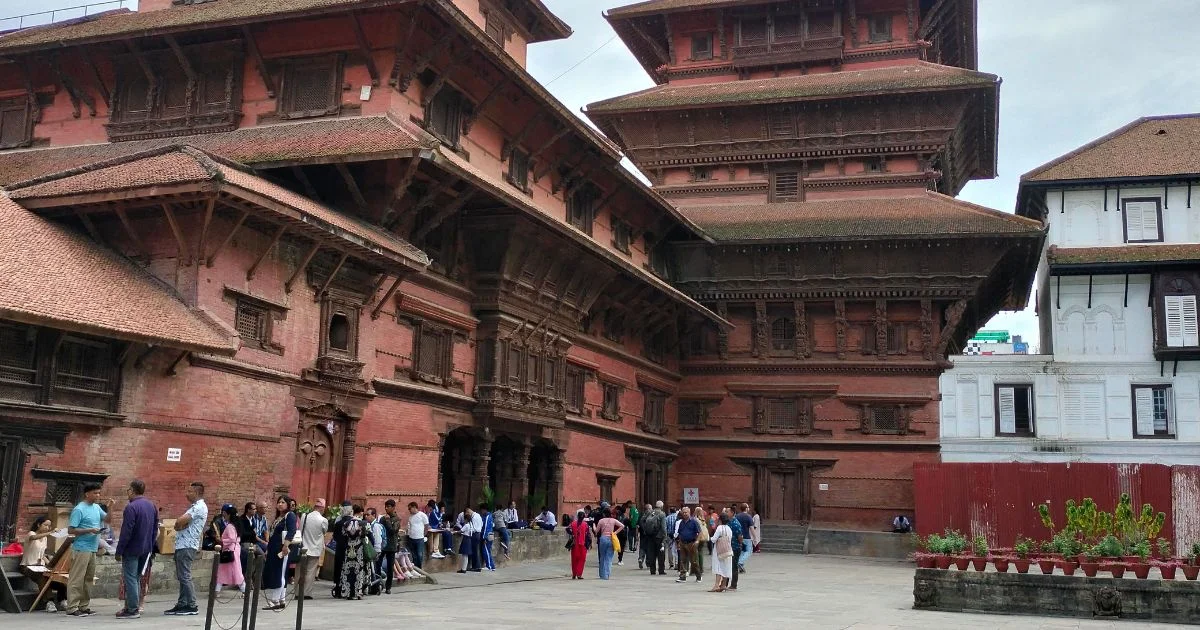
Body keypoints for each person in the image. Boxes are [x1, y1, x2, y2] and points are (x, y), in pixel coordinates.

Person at [115, 479, 157, 619]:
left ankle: (132, 609)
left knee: (131, 578)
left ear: (132, 491)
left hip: (132, 548)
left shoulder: (131, 507)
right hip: (146, 548)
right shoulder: (151, 506)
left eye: (128, 490)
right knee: (137, 578)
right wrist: (151, 547)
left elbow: (126, 531)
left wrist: (119, 550)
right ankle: (131, 606)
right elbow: (154, 529)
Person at [165, 481, 207, 617]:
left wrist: (178, 525)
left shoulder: (199, 507)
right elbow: (180, 523)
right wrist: (180, 525)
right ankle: (182, 603)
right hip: (183, 544)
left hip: (187, 545)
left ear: (196, 492)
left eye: (189, 491)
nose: (186, 494)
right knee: (182, 576)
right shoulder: (194, 506)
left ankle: (192, 604)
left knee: (185, 576)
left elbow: (179, 521)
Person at [65, 482, 106, 617]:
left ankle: (83, 606)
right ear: (87, 494)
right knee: (77, 578)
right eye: (95, 493)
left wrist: (111, 508)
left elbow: (108, 519)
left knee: (89, 578)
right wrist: (89, 530)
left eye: (99, 493)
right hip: (81, 548)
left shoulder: (96, 507)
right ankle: (72, 607)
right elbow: (71, 530)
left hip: (92, 548)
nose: (98, 495)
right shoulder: (79, 509)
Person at [262, 496, 297, 611]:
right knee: (278, 571)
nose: (280, 504)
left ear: (287, 504)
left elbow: (291, 531)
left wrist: (286, 545)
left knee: (279, 573)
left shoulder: (290, 515)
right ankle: (281, 599)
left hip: (282, 548)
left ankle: (274, 600)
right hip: (274, 547)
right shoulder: (279, 517)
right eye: (279, 502)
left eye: (283, 502)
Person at [298, 499, 329, 600]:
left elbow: (301, 530)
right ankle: (306, 592)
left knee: (300, 571)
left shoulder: (304, 516)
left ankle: (298, 591)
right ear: (322, 508)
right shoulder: (323, 520)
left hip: (303, 547)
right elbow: (324, 531)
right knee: (310, 572)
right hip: (314, 548)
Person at [337, 505, 369, 600]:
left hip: (349, 548)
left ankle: (347, 592)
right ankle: (357, 592)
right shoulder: (363, 523)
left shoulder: (346, 523)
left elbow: (343, 534)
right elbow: (365, 535)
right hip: (359, 549)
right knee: (358, 570)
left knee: (347, 570)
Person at [215, 504, 245, 593]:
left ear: (229, 515)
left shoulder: (230, 526)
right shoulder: (237, 525)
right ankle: (217, 590)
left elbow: (232, 539)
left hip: (230, 550)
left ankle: (244, 589)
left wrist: (222, 540)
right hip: (235, 550)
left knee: (234, 571)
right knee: (233, 570)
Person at [592, 506, 624, 580]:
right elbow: (622, 526)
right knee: (609, 558)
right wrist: (615, 532)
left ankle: (602, 574)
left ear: (604, 514)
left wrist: (593, 526)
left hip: (603, 539)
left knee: (602, 557)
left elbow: (596, 531)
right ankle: (607, 574)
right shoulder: (613, 520)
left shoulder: (601, 521)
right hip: (611, 538)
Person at [379, 500, 402, 594]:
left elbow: (393, 531)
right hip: (382, 545)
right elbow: (379, 528)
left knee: (390, 566)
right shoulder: (383, 518)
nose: (386, 508)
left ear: (393, 507)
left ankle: (388, 587)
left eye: (388, 506)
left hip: (391, 545)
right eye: (385, 506)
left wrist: (388, 521)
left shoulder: (396, 519)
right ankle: (377, 583)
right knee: (378, 563)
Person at [675, 506, 701, 583]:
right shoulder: (681, 522)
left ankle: (698, 575)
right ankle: (682, 576)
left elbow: (699, 532)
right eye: (683, 512)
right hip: (683, 543)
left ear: (689, 513)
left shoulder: (694, 521)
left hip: (691, 543)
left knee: (694, 561)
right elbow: (680, 533)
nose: (685, 514)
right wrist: (679, 542)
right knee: (683, 560)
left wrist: (697, 541)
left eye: (686, 512)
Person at [709, 513, 734, 593]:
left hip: (719, 550)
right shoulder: (729, 529)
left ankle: (716, 585)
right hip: (727, 550)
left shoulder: (719, 528)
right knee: (726, 567)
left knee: (718, 567)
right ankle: (723, 585)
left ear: (720, 520)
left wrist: (710, 538)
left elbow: (714, 539)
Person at [640, 502, 667, 575]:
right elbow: (663, 527)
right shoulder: (662, 514)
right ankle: (661, 570)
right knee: (661, 554)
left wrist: (645, 530)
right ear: (661, 506)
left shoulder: (650, 512)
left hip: (650, 536)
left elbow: (642, 520)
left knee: (651, 553)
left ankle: (652, 570)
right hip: (659, 536)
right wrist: (665, 536)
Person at [455, 507, 481, 574]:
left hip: (475, 534)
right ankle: (471, 566)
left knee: (473, 551)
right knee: (472, 551)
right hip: (476, 533)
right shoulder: (477, 516)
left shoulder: (473, 519)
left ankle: (476, 566)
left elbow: (463, 530)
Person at [405, 501, 429, 571]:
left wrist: (424, 534)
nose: (409, 510)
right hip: (411, 538)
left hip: (419, 538)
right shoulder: (410, 517)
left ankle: (420, 568)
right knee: (414, 555)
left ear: (414, 507)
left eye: (410, 509)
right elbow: (409, 526)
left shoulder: (422, 515)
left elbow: (426, 525)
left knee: (419, 554)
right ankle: (415, 568)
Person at [566, 509, 590, 579]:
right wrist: (589, 544)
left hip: (574, 543)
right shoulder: (585, 524)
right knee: (582, 559)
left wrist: (572, 533)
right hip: (582, 543)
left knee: (574, 559)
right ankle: (579, 574)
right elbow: (588, 534)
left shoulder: (573, 523)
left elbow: (567, 529)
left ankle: (574, 574)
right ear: (583, 517)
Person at [725, 508, 744, 591]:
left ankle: (733, 585)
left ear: (732, 513)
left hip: (735, 547)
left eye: (727, 512)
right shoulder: (728, 522)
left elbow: (740, 536)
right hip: (728, 547)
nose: (726, 513)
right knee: (728, 566)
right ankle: (725, 583)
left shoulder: (736, 523)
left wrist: (740, 544)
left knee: (733, 566)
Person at [735, 503, 754, 573]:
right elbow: (752, 528)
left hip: (738, 537)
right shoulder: (748, 517)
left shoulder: (737, 516)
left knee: (742, 552)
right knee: (748, 551)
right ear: (746, 508)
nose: (749, 508)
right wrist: (754, 537)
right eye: (748, 507)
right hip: (746, 537)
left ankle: (740, 566)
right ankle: (740, 562)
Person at [478, 503, 495, 571]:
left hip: (488, 536)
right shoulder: (487, 516)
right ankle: (491, 565)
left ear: (484, 509)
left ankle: (490, 566)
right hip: (490, 535)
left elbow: (486, 528)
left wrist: (484, 537)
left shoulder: (488, 516)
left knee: (486, 550)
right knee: (487, 550)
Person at [663, 506, 679, 570]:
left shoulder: (667, 518)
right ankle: (676, 564)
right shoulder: (677, 517)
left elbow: (665, 527)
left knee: (670, 549)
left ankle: (671, 564)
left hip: (669, 535)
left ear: (670, 511)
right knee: (676, 549)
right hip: (676, 535)